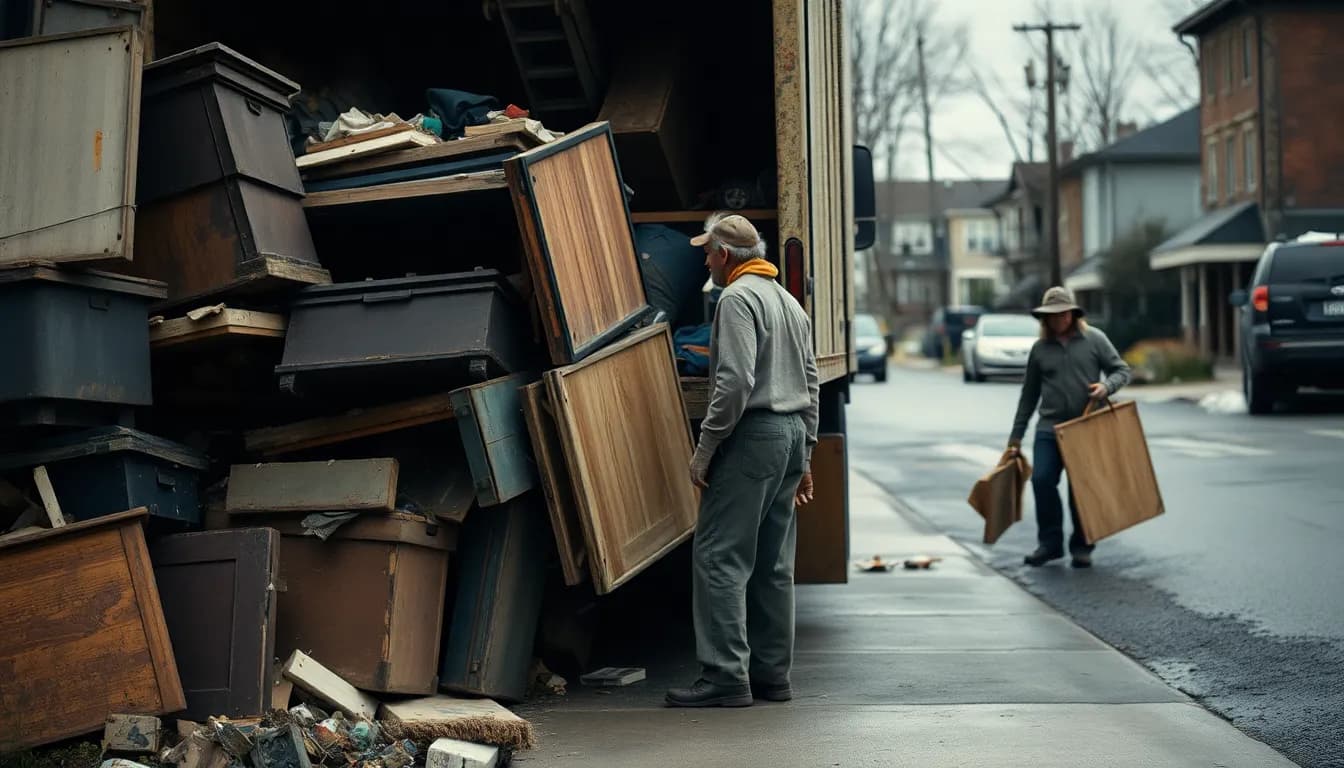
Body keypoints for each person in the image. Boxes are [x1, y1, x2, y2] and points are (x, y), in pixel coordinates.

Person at [665, 212, 820, 708]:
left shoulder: (735, 298)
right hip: (792, 433)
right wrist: (808, 452)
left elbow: (734, 383)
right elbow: (811, 380)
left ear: (725, 256)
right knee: (774, 563)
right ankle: (773, 677)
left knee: (719, 556)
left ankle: (726, 677)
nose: (705, 261)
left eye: (707, 252)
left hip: (753, 435)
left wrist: (704, 449)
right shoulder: (788, 302)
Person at [1007, 286, 1131, 569]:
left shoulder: (1094, 339)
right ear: (1045, 319)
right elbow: (1029, 395)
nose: (1059, 319)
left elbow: (1121, 370)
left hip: (1085, 427)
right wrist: (1016, 435)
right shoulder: (1040, 350)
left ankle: (1082, 546)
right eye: (1052, 316)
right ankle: (1050, 544)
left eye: (1063, 314)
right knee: (1041, 480)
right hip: (1049, 428)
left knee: (1082, 488)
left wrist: (1105, 387)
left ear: (1073, 314)